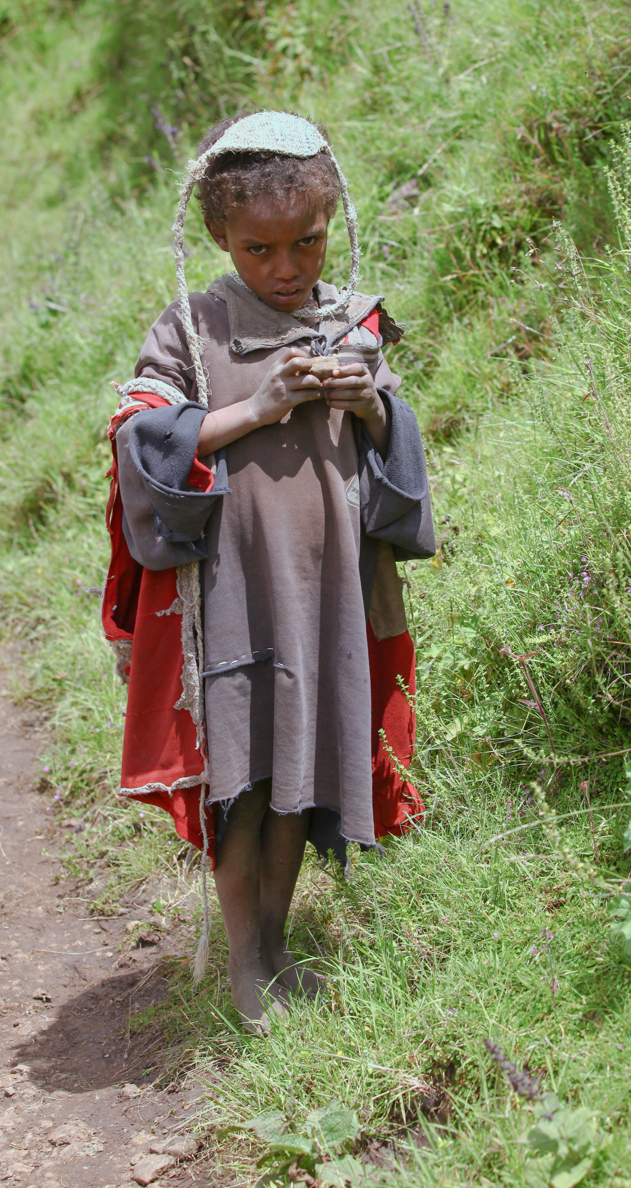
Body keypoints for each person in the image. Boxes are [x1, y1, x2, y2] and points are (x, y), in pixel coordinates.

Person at [101, 110, 435, 1032]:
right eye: (260, 250)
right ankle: (245, 966)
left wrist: (370, 402)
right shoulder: (192, 326)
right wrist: (259, 402)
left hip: (324, 596)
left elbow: (400, 465)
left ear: (333, 224)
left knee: (301, 776)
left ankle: (278, 948)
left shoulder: (350, 321)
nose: (288, 269)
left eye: (308, 243)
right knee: (240, 785)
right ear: (219, 237)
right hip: (232, 600)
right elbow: (142, 441)